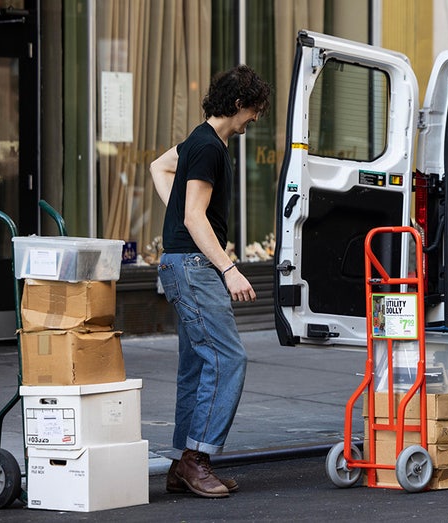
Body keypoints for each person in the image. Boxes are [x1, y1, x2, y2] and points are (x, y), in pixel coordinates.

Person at [149, 64, 271, 498]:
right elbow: (194, 215)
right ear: (238, 104)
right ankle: (196, 460)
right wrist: (229, 267)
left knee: (197, 365)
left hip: (184, 262)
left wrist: (179, 215)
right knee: (227, 358)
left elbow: (158, 168)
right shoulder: (207, 147)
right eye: (254, 110)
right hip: (196, 267)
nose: (255, 119)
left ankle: (183, 462)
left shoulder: (198, 142)